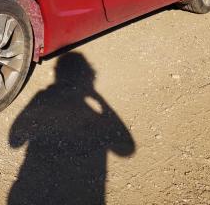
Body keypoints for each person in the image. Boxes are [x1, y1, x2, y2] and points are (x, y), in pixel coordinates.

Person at [8, 52, 135, 204]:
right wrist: (98, 99)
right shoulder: (50, 99)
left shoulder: (43, 97)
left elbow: (14, 140)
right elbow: (126, 148)